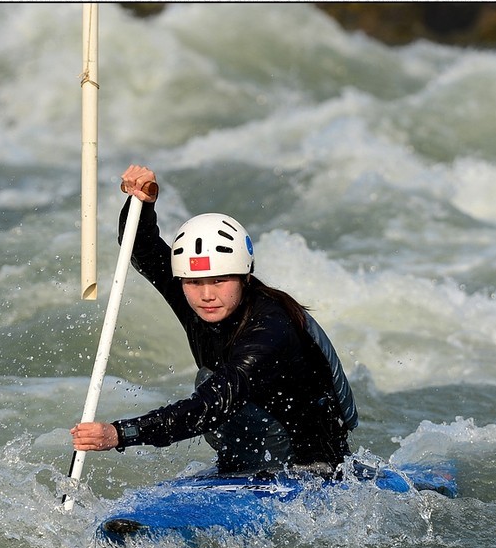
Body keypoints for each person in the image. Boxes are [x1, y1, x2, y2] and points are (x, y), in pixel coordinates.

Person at [70, 164, 358, 476]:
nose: (206, 295)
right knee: (208, 378)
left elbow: (212, 405)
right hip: (252, 437)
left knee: (209, 384)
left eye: (219, 281)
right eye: (193, 283)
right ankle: (234, 472)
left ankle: (249, 476)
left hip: (311, 463)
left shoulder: (271, 329)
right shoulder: (194, 293)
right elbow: (140, 247)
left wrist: (120, 434)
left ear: (245, 275)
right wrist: (142, 201)